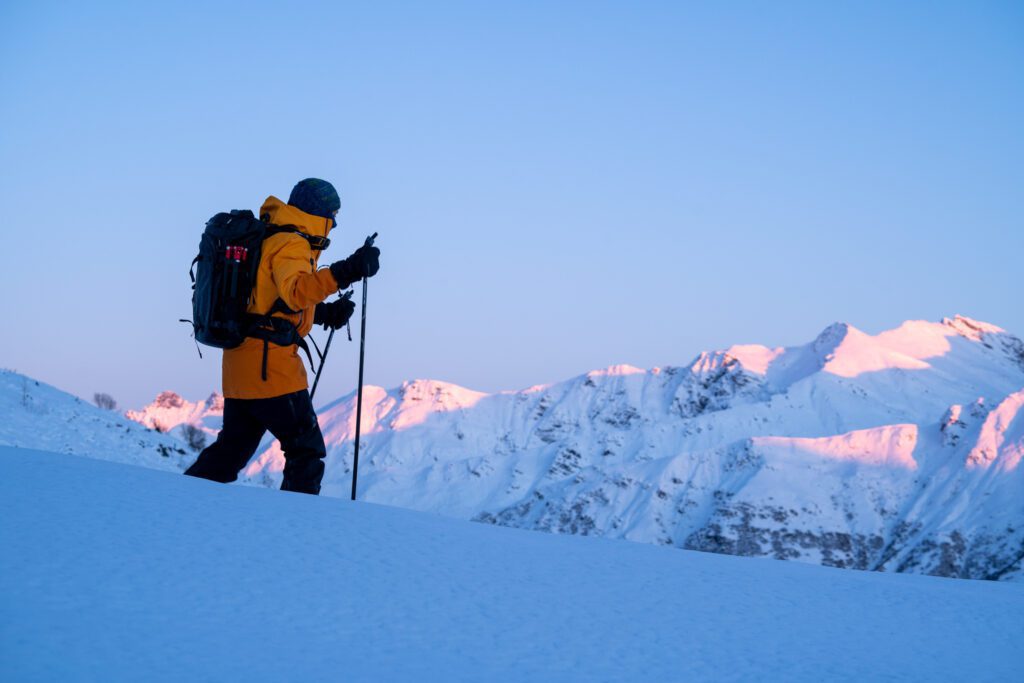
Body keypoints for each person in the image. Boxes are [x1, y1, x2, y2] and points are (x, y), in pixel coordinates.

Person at [184, 178, 379, 495]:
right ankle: (295, 531)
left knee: (229, 454)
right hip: (270, 368)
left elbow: (267, 303)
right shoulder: (291, 242)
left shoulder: (272, 236)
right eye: (333, 213)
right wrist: (348, 270)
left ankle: (177, 503)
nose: (335, 222)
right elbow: (295, 293)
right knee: (306, 450)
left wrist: (326, 314)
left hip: (241, 365)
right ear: (319, 212)